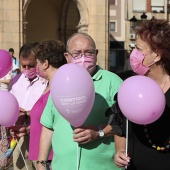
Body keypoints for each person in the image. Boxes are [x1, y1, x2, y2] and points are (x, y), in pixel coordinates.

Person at [37, 32, 123, 170]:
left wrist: (99, 132)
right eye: (77, 53)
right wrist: (41, 163)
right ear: (67, 56)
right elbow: (48, 125)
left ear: (96, 53)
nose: (83, 58)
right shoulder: (60, 81)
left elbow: (123, 124)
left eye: (88, 52)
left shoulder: (114, 82)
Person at [114, 19, 170, 170]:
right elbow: (119, 127)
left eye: (139, 49)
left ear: (157, 55)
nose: (134, 54)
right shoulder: (130, 87)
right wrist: (119, 150)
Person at [28, 39, 67, 169]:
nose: (36, 67)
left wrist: (42, 162)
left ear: (45, 63)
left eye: (37, 62)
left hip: (50, 159)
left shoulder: (59, 88)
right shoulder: (48, 86)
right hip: (41, 158)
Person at [9, 43, 47, 170]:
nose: (26, 69)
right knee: (20, 167)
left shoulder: (47, 81)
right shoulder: (16, 80)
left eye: (30, 66)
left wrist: (29, 113)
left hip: (41, 134)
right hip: (19, 135)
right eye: (23, 65)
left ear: (38, 61)